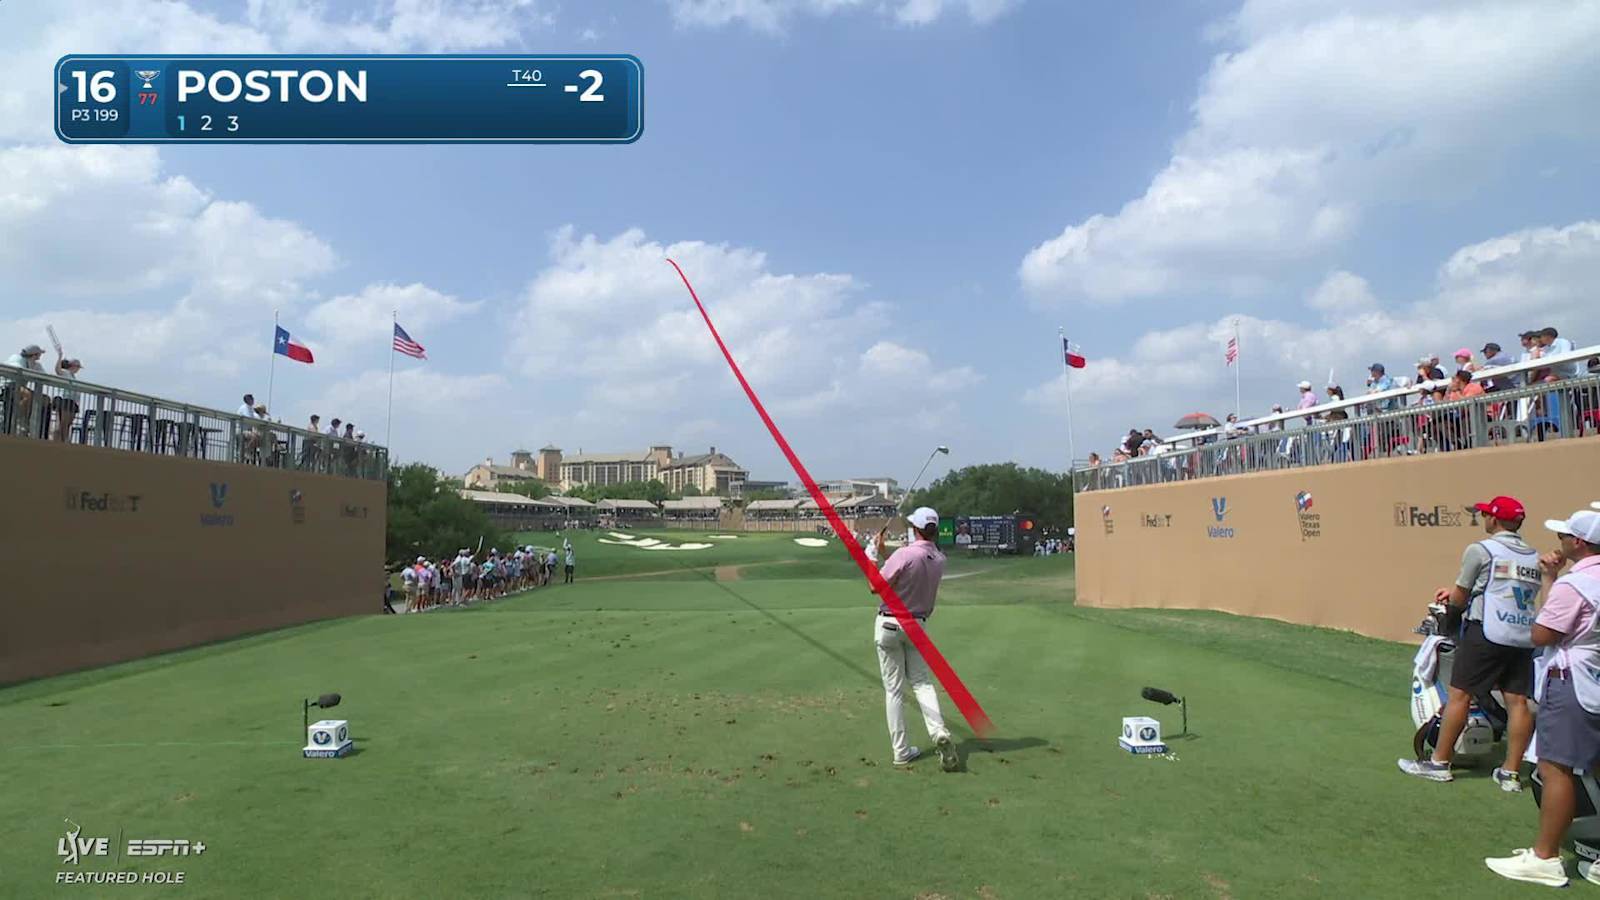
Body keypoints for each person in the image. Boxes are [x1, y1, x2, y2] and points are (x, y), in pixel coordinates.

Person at [1484, 509, 1600, 887]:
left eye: (1567, 535)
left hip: (1573, 679)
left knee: (1555, 768)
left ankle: (1546, 858)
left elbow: (1543, 633)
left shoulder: (1577, 584)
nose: (1561, 540)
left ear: (1578, 543)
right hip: (1594, 676)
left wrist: (1552, 582)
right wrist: (1552, 578)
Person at [1398, 496, 1539, 790]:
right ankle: (1511, 773)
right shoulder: (1532, 555)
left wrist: (1451, 610)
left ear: (1495, 520)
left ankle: (1439, 762)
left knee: (1459, 695)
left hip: (1486, 632)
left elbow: (1461, 596)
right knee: (1518, 702)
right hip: (1522, 635)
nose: (1483, 518)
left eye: (1486, 514)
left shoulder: (1480, 549)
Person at [869, 506, 959, 771]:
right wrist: (886, 552)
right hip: (917, 626)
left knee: (894, 690)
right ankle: (938, 731)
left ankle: (901, 751)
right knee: (922, 683)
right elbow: (907, 569)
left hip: (888, 624)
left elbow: (876, 585)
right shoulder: (939, 559)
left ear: (915, 529)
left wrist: (871, 555)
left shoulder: (904, 554)